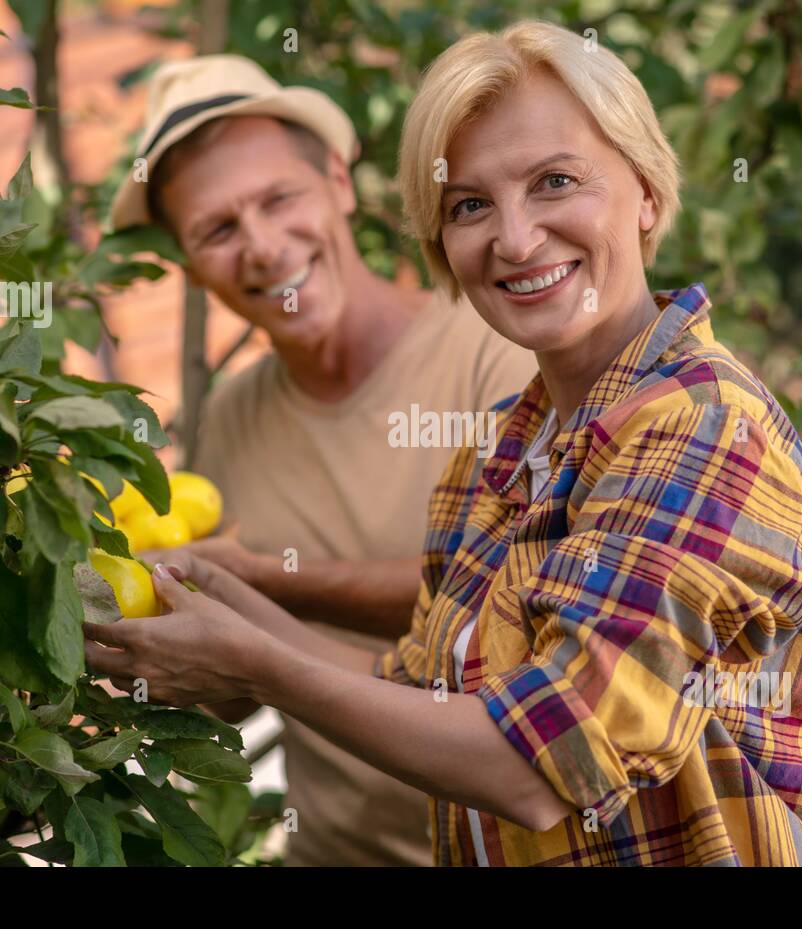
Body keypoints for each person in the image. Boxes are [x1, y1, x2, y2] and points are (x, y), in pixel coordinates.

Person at [90, 22, 802, 866]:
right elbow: (419, 690)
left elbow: (540, 765)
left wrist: (257, 660)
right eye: (470, 206)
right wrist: (220, 597)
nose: (516, 239)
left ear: (645, 191)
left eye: (556, 181)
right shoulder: (498, 456)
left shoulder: (702, 426)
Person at [108, 55, 536, 865]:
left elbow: (506, 608)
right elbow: (234, 694)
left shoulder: (497, 349)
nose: (264, 249)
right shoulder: (231, 420)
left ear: (338, 181)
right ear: (191, 266)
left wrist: (259, 578)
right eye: (219, 230)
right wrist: (134, 621)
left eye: (279, 199)